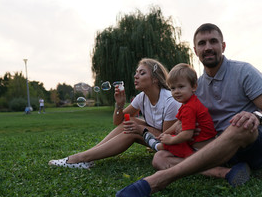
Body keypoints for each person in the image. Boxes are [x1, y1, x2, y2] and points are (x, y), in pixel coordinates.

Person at [115, 23, 262, 197]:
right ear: (196, 50)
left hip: (251, 146)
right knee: (159, 157)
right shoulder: (196, 86)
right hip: (216, 148)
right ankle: (226, 172)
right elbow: (187, 119)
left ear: (223, 46)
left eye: (213, 41)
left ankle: (158, 180)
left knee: (239, 124)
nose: (208, 47)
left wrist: (256, 116)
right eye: (202, 43)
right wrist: (178, 130)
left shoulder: (244, 72)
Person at [48, 58, 181, 169]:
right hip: (154, 138)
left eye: (142, 73)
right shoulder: (142, 97)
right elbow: (118, 121)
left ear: (155, 79)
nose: (135, 76)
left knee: (132, 131)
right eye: (136, 72)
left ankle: (79, 158)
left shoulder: (170, 101)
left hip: (173, 144)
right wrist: (119, 105)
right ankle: (88, 157)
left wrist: (140, 129)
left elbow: (166, 138)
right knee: (130, 123)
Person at [142, 63, 217, 159]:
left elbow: (187, 135)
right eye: (173, 88)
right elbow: (179, 122)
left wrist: (170, 140)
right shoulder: (189, 102)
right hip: (201, 145)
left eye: (181, 87)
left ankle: (156, 146)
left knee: (171, 144)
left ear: (194, 87)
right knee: (172, 138)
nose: (176, 91)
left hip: (200, 149)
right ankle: (160, 143)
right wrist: (165, 134)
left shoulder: (189, 108)